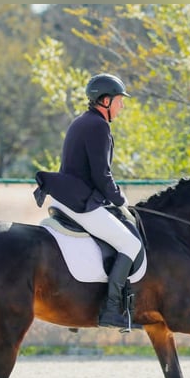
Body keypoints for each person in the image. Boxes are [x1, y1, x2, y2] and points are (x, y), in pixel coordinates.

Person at [33, 73, 141, 331]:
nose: (121, 106)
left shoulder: (83, 122)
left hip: (69, 197)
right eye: (118, 100)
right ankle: (112, 309)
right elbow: (102, 175)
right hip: (79, 202)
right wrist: (120, 200)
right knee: (130, 242)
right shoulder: (97, 126)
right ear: (105, 100)